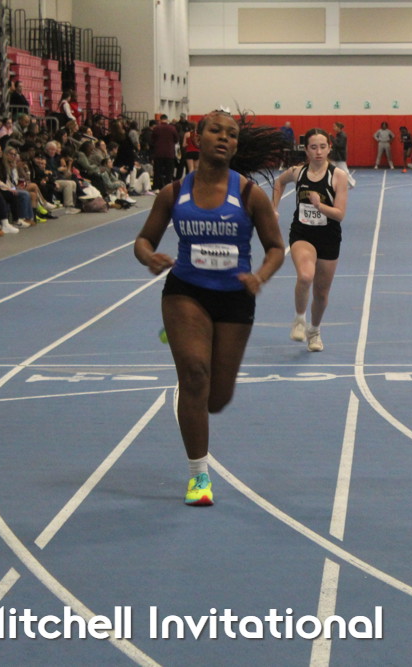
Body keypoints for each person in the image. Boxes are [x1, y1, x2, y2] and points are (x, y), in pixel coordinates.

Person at [133, 109, 285, 506]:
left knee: (216, 399)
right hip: (186, 291)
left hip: (235, 296)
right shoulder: (174, 193)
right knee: (195, 375)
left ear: (235, 145)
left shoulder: (249, 195)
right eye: (215, 131)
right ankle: (198, 476)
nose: (224, 138)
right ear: (197, 138)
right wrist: (149, 257)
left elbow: (275, 248)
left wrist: (261, 276)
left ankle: (191, 339)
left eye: (231, 134)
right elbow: (143, 241)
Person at [271, 128, 350, 353]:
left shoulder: (338, 176)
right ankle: (299, 319)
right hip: (302, 234)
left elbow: (340, 214)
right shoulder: (298, 172)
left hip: (328, 237)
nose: (318, 152)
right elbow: (279, 182)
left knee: (321, 294)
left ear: (329, 148)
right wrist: (273, 208)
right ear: (306, 150)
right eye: (313, 147)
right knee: (306, 276)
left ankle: (314, 331)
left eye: (323, 147)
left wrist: (319, 205)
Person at [150, 114, 180, 191]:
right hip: (169, 153)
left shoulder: (156, 128)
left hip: (158, 153)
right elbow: (176, 139)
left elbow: (152, 140)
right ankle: (168, 188)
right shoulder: (172, 128)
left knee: (157, 172)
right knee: (169, 172)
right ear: (167, 119)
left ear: (160, 120)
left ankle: (156, 187)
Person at [329, 121, 356, 188]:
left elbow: (339, 145)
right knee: (332, 170)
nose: (333, 128)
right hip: (336, 156)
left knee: (344, 171)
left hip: (340, 156)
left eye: (335, 126)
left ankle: (352, 183)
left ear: (339, 127)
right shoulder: (338, 135)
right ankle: (333, 184)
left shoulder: (342, 136)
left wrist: (332, 138)